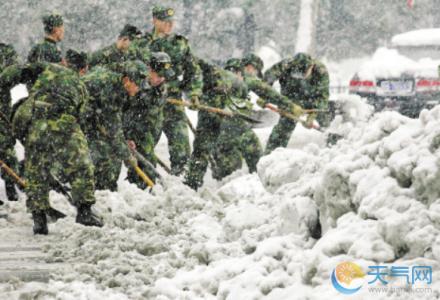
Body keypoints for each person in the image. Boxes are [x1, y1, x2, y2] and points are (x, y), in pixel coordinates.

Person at [24, 62, 102, 234]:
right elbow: (82, 112)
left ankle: (39, 219)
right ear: (82, 70)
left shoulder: (43, 77)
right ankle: (84, 212)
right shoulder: (78, 83)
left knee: (37, 171)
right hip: (66, 127)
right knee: (81, 166)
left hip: (38, 127)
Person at [135, 5, 203, 175]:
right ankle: (141, 186)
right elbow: (131, 72)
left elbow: (193, 71)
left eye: (171, 21)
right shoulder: (141, 44)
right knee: (144, 149)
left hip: (173, 103)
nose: (169, 25)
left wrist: (194, 93)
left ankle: (181, 186)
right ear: (154, 21)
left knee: (182, 149)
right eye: (165, 21)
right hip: (147, 106)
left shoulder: (180, 44)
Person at [81, 58, 148, 191]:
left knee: (110, 148)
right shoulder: (111, 89)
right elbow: (113, 128)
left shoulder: (116, 82)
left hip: (89, 116)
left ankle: (103, 187)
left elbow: (112, 122)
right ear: (127, 80)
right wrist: (127, 156)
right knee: (102, 154)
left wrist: (123, 141)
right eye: (137, 85)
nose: (139, 89)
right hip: (74, 116)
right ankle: (99, 189)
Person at [122, 52, 174, 188]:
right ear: (150, 70)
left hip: (149, 130)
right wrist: (127, 136)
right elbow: (126, 113)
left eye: (164, 76)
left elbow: (152, 114)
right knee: (147, 168)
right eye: (160, 75)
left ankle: (135, 188)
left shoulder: (160, 87)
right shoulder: (135, 84)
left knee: (142, 166)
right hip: (134, 130)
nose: (162, 79)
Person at [263, 53, 329, 154]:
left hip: (310, 100)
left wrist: (313, 115)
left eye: (304, 74)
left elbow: (323, 97)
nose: (300, 78)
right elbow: (268, 78)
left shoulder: (320, 71)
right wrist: (264, 95)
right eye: (297, 74)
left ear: (311, 66)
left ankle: (330, 148)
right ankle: (271, 155)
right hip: (290, 100)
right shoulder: (285, 65)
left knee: (326, 119)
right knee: (283, 129)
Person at [212, 58, 262, 180]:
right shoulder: (220, 87)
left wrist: (263, 99)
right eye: (232, 72)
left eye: (237, 73)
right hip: (223, 138)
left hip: (241, 132)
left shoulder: (243, 85)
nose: (236, 76)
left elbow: (263, 88)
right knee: (230, 171)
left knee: (255, 152)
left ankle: (256, 179)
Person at [0, 43, 19, 204]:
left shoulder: (5, 50)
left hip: (2, 111)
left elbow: (14, 74)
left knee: (6, 147)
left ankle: (11, 186)